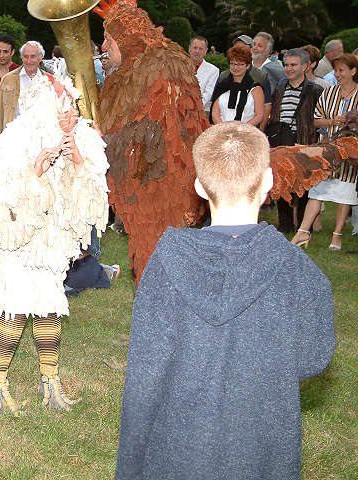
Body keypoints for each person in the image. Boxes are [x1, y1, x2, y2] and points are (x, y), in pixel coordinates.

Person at [115, 121, 335, 479]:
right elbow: (312, 357)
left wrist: (130, 468)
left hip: (179, 452)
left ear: (200, 186)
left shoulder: (166, 262)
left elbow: (145, 373)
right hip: (261, 447)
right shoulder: (298, 271)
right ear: (267, 181)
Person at [0, 58, 109, 415]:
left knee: (49, 303)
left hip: (50, 239)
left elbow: (95, 197)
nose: (69, 114)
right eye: (62, 106)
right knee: (15, 304)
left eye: (71, 106)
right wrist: (34, 174)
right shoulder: (15, 140)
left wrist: (78, 161)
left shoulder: (82, 138)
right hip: (11, 238)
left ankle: (50, 379)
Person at [291, 54, 358, 251]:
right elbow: (315, 120)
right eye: (335, 70)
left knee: (345, 192)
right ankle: (303, 231)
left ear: (353, 71)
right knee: (317, 191)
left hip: (350, 154)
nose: (336, 74)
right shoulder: (329, 93)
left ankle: (337, 236)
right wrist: (332, 121)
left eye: (341, 70)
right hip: (327, 150)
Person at [266, 48, 323, 233]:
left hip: (303, 142)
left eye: (293, 65)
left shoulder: (315, 90)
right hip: (280, 142)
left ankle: (305, 227)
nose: (289, 68)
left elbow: (318, 118)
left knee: (303, 187)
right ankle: (285, 225)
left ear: (305, 66)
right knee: (282, 184)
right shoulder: (280, 86)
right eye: (286, 65)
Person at [0, 40, 48, 139]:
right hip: (13, 137)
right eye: (25, 56)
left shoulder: (50, 81)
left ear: (40, 57)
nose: (29, 61)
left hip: (40, 138)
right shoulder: (8, 79)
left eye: (33, 56)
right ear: (21, 58)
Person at [210, 46, 263, 126]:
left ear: (248, 66)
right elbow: (214, 114)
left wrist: (240, 129)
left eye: (240, 64)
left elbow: (259, 116)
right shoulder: (222, 87)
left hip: (246, 131)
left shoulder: (256, 89)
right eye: (232, 63)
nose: (235, 67)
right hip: (223, 130)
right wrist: (225, 129)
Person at [189, 35, 219, 112]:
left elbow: (208, 94)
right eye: (195, 47)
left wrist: (190, 106)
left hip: (200, 111)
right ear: (189, 48)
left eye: (201, 49)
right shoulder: (178, 66)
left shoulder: (213, 70)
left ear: (206, 51)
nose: (197, 51)